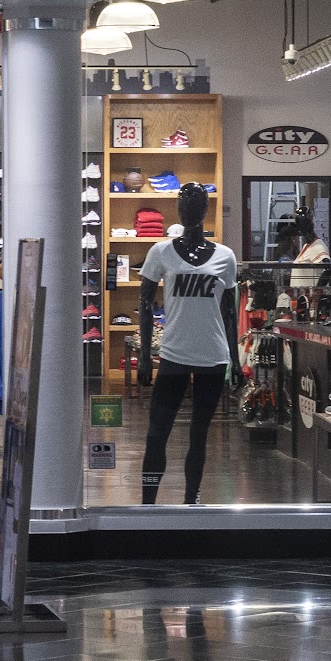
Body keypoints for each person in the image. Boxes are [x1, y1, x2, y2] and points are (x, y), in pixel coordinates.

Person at [137, 185, 239, 505]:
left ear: (206, 208)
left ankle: (192, 500)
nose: (188, 209)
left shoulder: (225, 256)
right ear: (177, 208)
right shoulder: (160, 252)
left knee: (199, 435)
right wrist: (144, 355)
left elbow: (230, 311)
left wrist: (236, 360)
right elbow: (145, 303)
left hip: (213, 357)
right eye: (182, 203)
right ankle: (147, 502)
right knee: (157, 435)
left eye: (195, 203)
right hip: (173, 355)